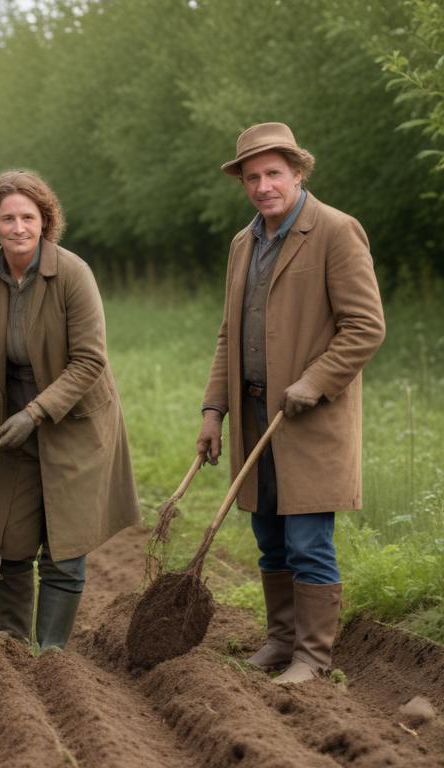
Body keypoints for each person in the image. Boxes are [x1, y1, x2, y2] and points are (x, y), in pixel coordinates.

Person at [197, 122, 385, 684]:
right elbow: (228, 335)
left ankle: (312, 656)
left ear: (298, 173)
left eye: (274, 173)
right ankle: (280, 642)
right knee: (269, 537)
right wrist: (213, 412)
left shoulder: (334, 231)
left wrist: (315, 380)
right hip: (255, 415)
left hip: (310, 420)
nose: (263, 186)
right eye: (252, 176)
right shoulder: (242, 243)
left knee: (307, 539)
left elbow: (365, 326)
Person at [0, 170, 139, 651]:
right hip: (14, 425)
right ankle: (12, 647)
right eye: (7, 218)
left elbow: (90, 360)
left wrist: (36, 413)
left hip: (74, 419)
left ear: (45, 221)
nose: (18, 228)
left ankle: (50, 656)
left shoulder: (72, 273)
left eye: (28, 218)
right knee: (7, 539)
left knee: (63, 549)